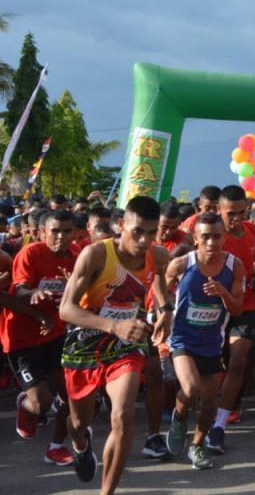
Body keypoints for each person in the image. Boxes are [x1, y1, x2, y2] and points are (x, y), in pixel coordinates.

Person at [59, 196, 173, 494]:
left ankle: (106, 492)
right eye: (138, 231)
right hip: (85, 342)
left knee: (122, 414)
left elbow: (159, 279)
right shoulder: (95, 254)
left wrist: (165, 310)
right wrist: (113, 324)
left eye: (151, 232)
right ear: (121, 225)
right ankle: (81, 445)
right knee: (78, 422)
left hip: (127, 343)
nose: (145, 240)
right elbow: (66, 310)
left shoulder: (158, 255)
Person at [164, 213, 244, 469]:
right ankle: (178, 416)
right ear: (195, 239)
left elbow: (239, 308)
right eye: (205, 237)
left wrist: (222, 293)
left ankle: (197, 446)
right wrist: (162, 313)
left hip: (212, 342)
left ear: (225, 238)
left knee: (209, 404)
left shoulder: (234, 266)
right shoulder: (181, 264)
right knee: (190, 390)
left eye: (217, 236)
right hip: (182, 339)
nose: (211, 242)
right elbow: (160, 290)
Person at [2, 210, 77, 466]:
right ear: (42, 232)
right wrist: (34, 294)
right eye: (55, 231)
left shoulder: (77, 258)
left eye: (67, 231)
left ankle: (56, 446)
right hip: (22, 339)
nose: (61, 237)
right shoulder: (30, 253)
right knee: (42, 401)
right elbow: (20, 290)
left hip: (56, 334)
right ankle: (26, 405)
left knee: (72, 396)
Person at [208, 185, 255, 453]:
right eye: (231, 213)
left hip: (246, 305)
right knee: (215, 367)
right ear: (219, 210)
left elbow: (254, 264)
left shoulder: (253, 231)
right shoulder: (211, 236)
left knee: (239, 358)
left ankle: (219, 425)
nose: (238, 218)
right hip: (213, 308)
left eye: (242, 212)